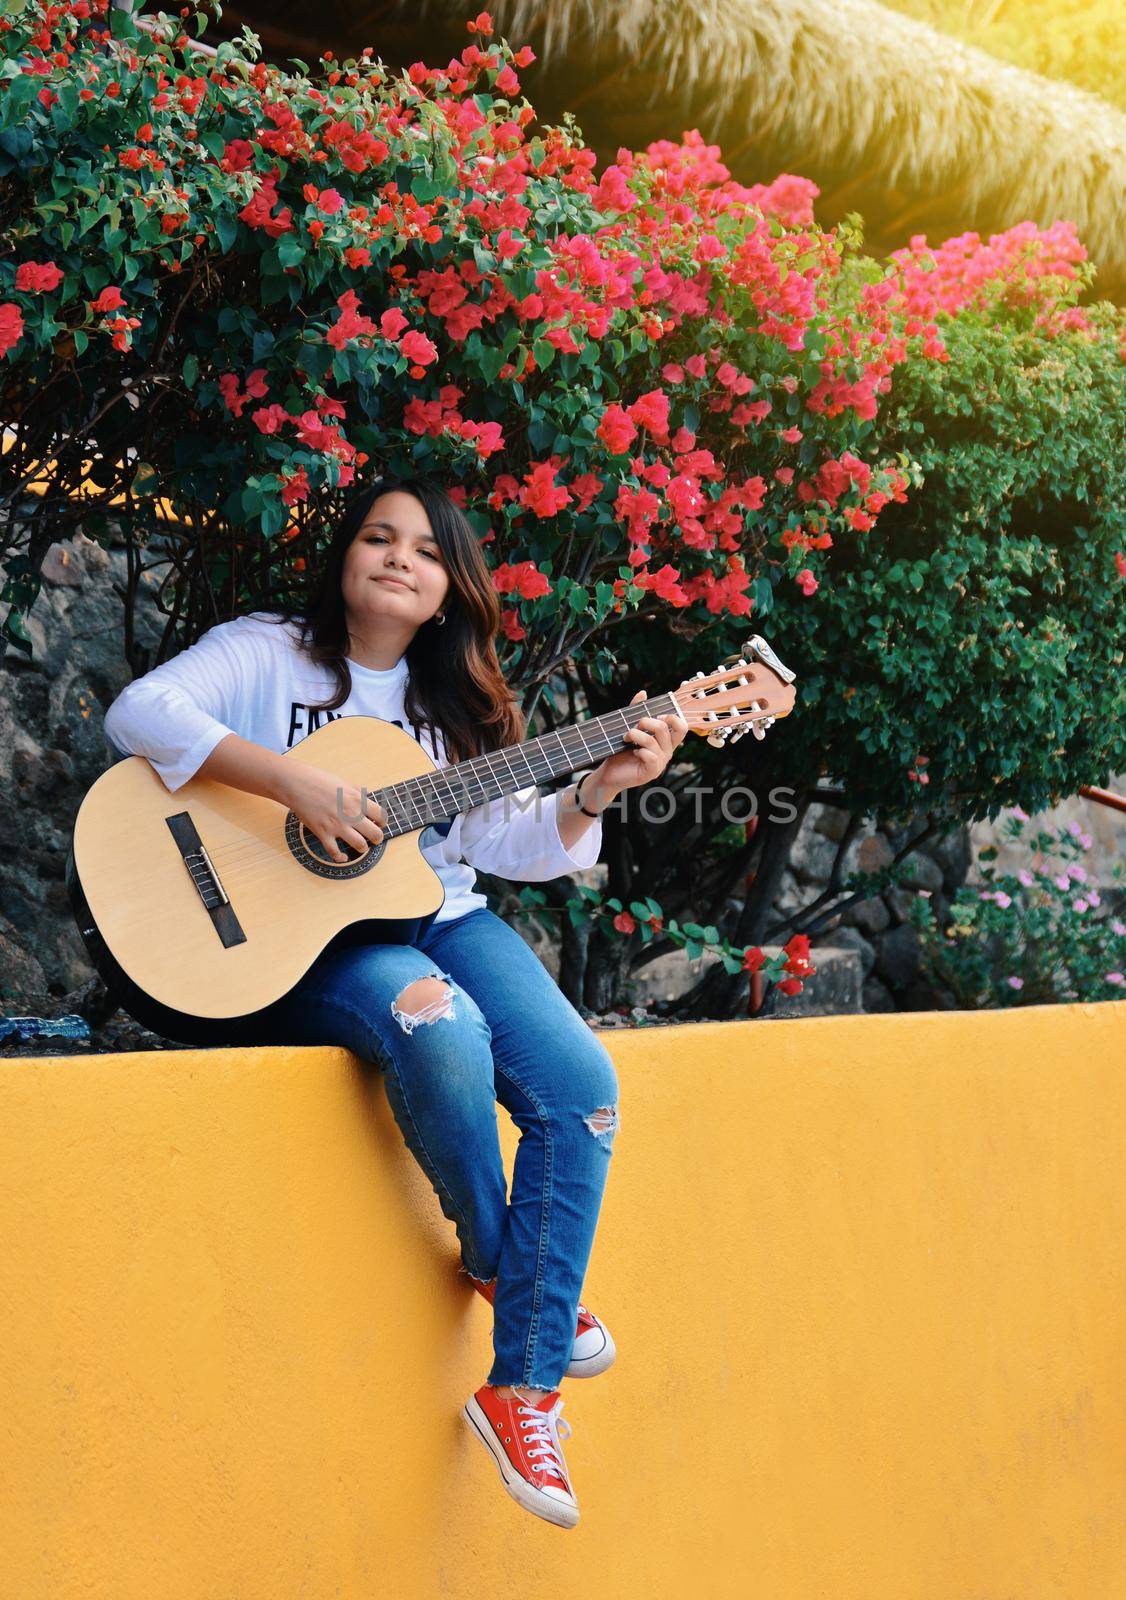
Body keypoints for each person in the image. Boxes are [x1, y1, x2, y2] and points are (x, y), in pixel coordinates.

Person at [101, 475, 688, 1529]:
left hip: (432, 915)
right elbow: (138, 710)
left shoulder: (448, 709)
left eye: (424, 551)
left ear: (445, 591)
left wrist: (598, 788)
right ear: (346, 558)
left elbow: (505, 844)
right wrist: (293, 785)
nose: (398, 557)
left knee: (580, 1084)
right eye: (378, 536)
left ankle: (521, 1393)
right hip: (304, 946)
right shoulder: (267, 650)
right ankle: (511, 1268)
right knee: (435, 1020)